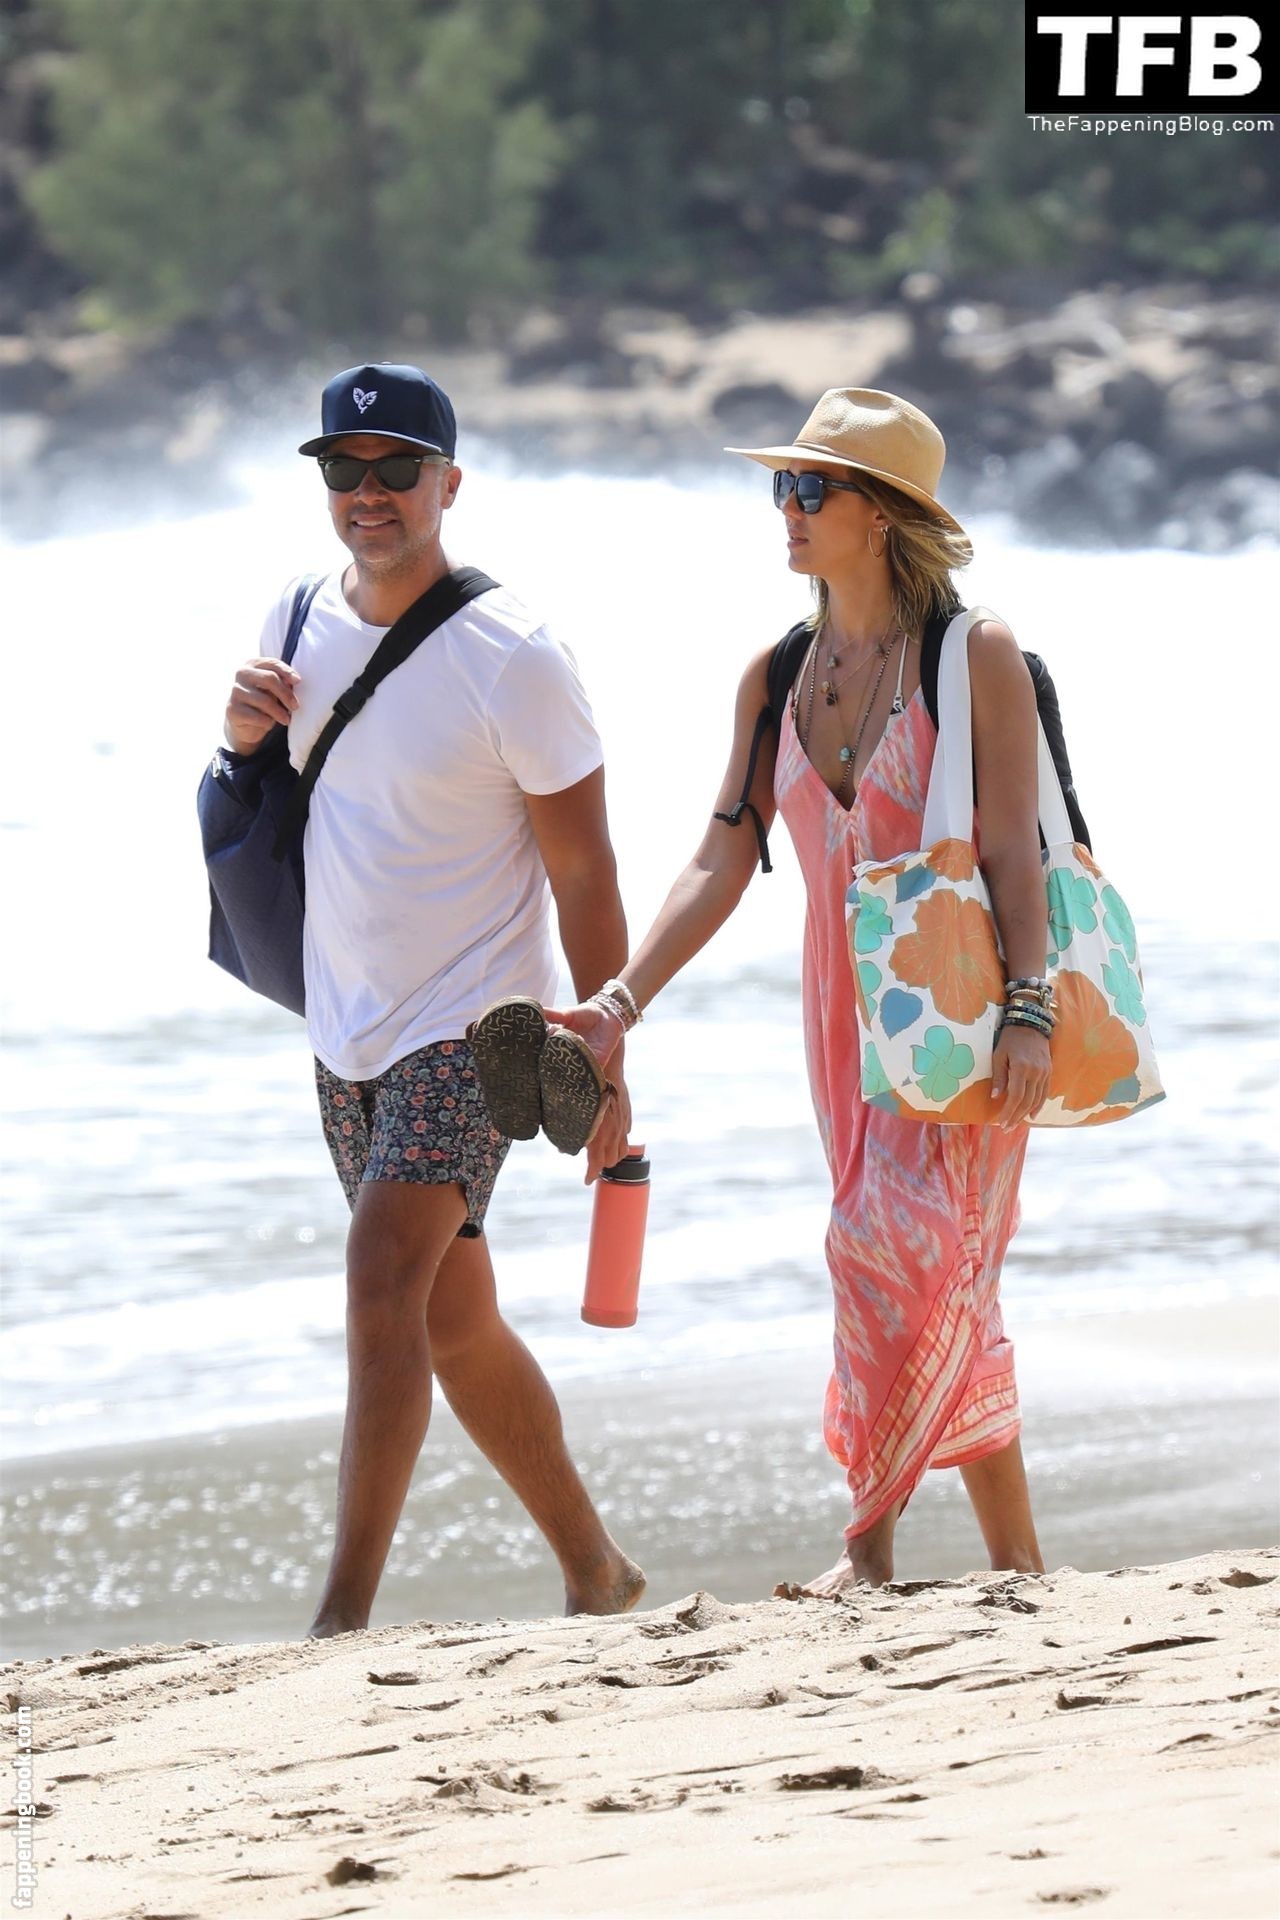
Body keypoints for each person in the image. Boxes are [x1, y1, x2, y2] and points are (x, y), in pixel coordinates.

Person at [539, 388, 1049, 1595]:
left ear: (882, 516)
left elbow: (1012, 846)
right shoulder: (776, 675)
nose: (788, 507)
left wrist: (1029, 1006)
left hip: (964, 1008)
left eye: (813, 488)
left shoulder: (971, 655)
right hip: (841, 1019)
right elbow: (721, 856)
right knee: (932, 1268)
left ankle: (866, 1544)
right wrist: (617, 1003)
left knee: (888, 1246)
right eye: (783, 485)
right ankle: (1010, 1562)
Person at [219, 362, 643, 1636]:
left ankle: (339, 1618)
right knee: (452, 1320)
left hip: (476, 1028)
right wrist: (236, 740)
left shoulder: (513, 656)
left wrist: (606, 1055)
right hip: (345, 1023)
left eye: (397, 469)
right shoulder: (295, 612)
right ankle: (596, 1570)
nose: (369, 492)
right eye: (344, 470)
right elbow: (273, 801)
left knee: (378, 1277)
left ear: (448, 484)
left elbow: (585, 870)